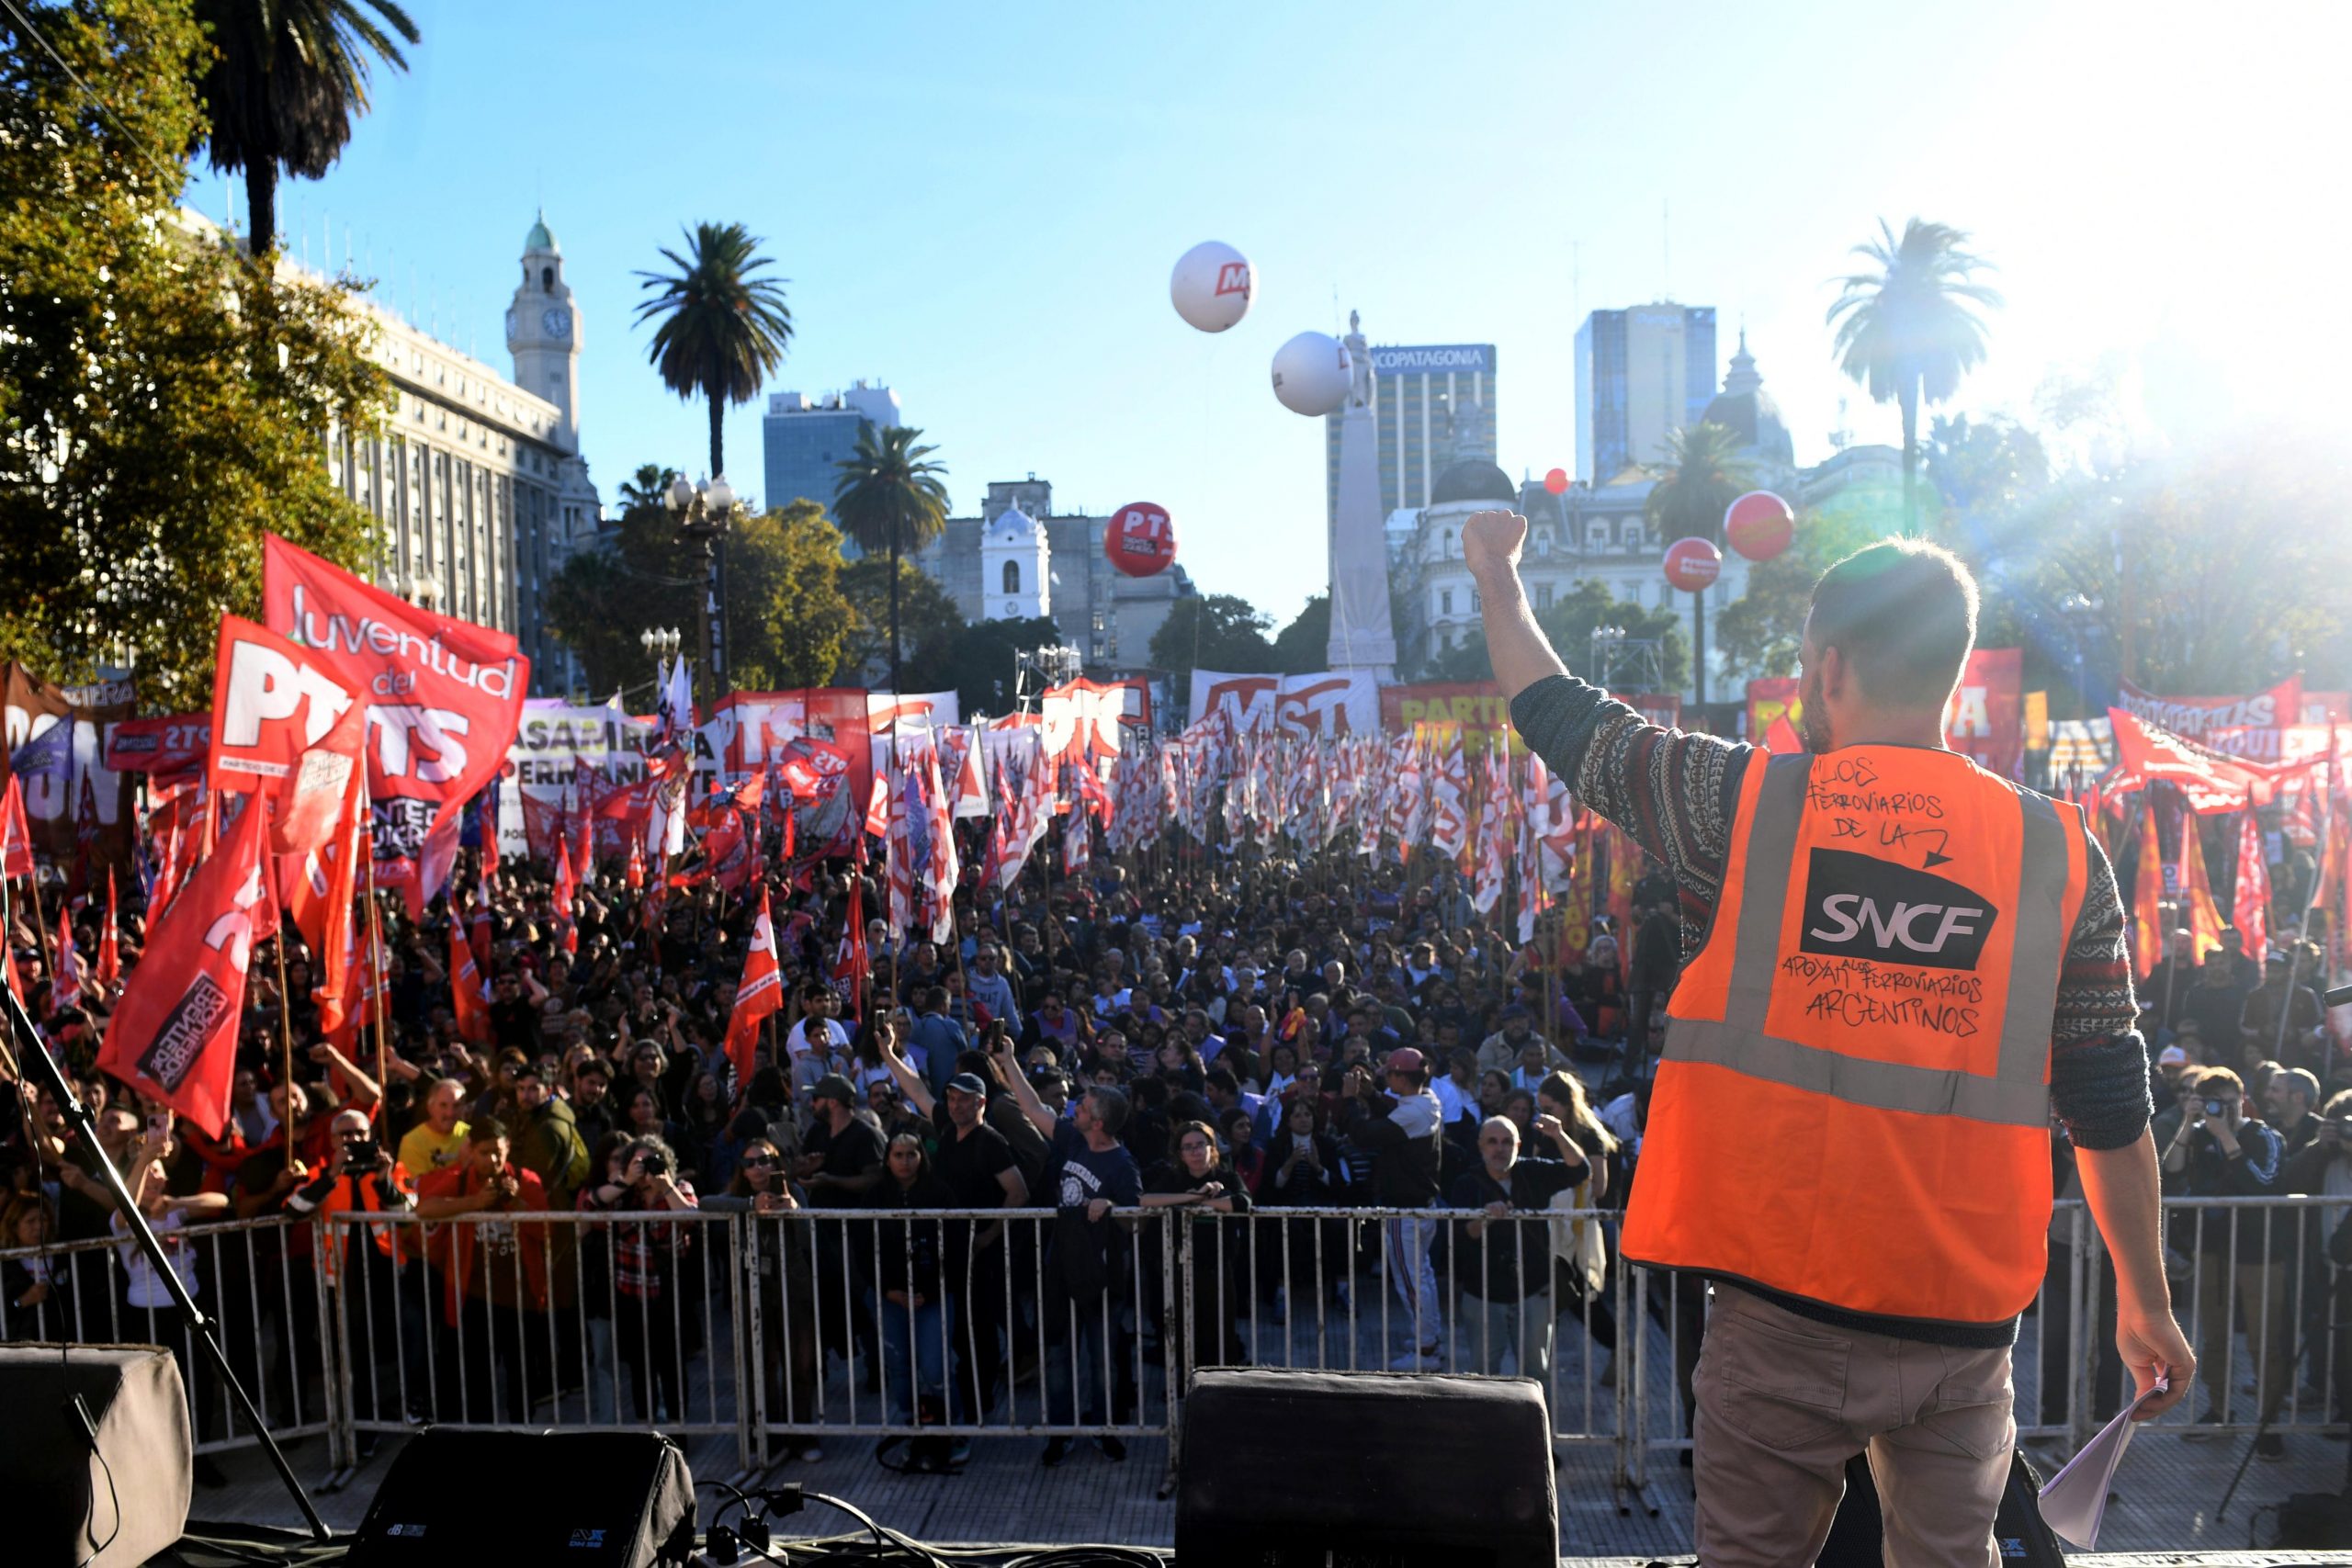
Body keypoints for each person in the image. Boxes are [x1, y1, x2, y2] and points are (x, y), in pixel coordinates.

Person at [1467, 513, 2190, 1562]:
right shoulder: (2058, 855)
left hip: (1779, 1313)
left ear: (1830, 663)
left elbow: (1565, 718)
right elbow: (2110, 1104)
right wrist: (2147, 1300)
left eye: (1806, 665)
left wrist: (1498, 578)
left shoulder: (1749, 806)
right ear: (1946, 670)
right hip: (1962, 1326)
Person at [879, 1027, 1028, 1451]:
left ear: (981, 1102)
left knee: (976, 1334)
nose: (955, 1104)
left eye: (965, 1098)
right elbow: (916, 1088)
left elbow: (1018, 1193)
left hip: (978, 1257)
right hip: (946, 1253)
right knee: (954, 1336)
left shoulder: (991, 1142)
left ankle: (977, 1415)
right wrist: (890, 1055)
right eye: (952, 1097)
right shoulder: (946, 1128)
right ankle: (955, 1412)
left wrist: (987, 1235)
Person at [1000, 1034, 1141, 1467]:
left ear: (1098, 1122)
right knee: (1058, 1356)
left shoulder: (1122, 1165)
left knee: (1101, 1360)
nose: (1073, 1109)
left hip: (1099, 1276)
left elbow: (1136, 1220)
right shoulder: (1072, 1140)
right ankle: (1061, 1433)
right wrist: (1008, 1061)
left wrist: (1112, 1206)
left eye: (1082, 1107)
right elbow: (1033, 1109)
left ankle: (1103, 1429)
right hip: (1059, 1267)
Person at [2163, 1066, 2290, 1453]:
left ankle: (2269, 1422)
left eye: (2228, 1103)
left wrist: (2227, 1137)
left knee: (2263, 1340)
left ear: (2242, 1100)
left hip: (2259, 1251)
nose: (2222, 1110)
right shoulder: (2198, 1136)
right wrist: (2189, 1123)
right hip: (2213, 1249)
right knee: (2214, 1338)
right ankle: (2219, 1410)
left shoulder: (2263, 1136)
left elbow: (2263, 1183)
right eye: (2212, 1103)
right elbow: (2171, 1173)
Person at [416, 1118, 549, 1425]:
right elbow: (424, 1209)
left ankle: (522, 1436)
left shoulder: (525, 1179)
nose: (493, 1160)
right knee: (478, 1378)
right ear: (471, 1151)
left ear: (508, 1149)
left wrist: (515, 1203)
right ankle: (487, 1443)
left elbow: (546, 1228)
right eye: (485, 1152)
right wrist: (473, 1202)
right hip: (473, 1297)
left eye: (499, 1152)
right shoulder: (461, 1180)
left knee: (522, 1377)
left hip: (520, 1295)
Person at [1446, 1114, 1587, 1383]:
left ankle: (1536, 1425)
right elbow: (1457, 1236)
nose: (1499, 1148)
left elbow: (1580, 1171)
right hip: (1484, 1293)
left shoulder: (1531, 1172)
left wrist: (1558, 1135)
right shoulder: (1467, 1183)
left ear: (1518, 1146)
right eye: (1492, 1142)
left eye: (1507, 1142)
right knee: (1483, 1376)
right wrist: (1483, 1219)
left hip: (1532, 1290)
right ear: (1480, 1146)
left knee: (1536, 1374)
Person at [578, 1134, 700, 1423]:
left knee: (671, 1364)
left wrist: (666, 1186)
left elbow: (691, 1217)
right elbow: (588, 1207)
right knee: (640, 1366)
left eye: (651, 1161)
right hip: (630, 1292)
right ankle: (648, 1429)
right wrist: (625, 1181)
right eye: (639, 1162)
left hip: (667, 1291)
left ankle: (677, 1428)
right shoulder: (623, 1195)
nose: (646, 1168)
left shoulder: (679, 1188)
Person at [1340, 1045, 1447, 1371]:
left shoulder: (1414, 1111)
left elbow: (1364, 1134)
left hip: (1406, 1212)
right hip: (1419, 1207)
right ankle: (1428, 1337)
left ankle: (1427, 1351)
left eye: (1390, 1073)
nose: (1387, 1077)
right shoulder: (1426, 1100)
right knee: (1422, 1278)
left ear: (1402, 1076)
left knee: (1411, 1281)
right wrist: (1371, 1095)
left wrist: (1348, 1099)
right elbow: (1392, 1111)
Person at [860, 1134, 956, 1466]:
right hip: (889, 1296)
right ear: (887, 1158)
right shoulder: (874, 1196)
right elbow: (861, 1251)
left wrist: (928, 1293)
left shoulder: (940, 1192)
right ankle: (911, 1427)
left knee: (935, 1366)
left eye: (911, 1153)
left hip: (933, 1296)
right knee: (899, 1366)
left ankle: (952, 1431)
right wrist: (886, 1290)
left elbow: (955, 1249)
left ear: (921, 1157)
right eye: (898, 1154)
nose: (904, 1160)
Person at [1142, 1119, 1253, 1378]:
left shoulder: (1225, 1176)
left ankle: (1220, 1383)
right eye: (1188, 1147)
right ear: (1180, 1153)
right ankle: (1187, 1381)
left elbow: (1242, 1201)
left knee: (1219, 1327)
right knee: (1181, 1326)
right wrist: (1194, 1197)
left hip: (1217, 1265)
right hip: (1180, 1265)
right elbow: (1146, 1200)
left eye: (1199, 1145)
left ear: (1211, 1147)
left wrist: (1211, 1202)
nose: (1194, 1151)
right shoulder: (1174, 1178)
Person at [398, 1078, 469, 1179]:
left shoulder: (470, 1135)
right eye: (443, 1105)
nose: (450, 1113)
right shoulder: (412, 1142)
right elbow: (420, 1188)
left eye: (456, 1106)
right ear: (430, 1107)